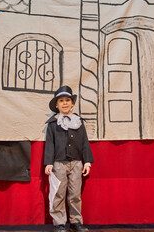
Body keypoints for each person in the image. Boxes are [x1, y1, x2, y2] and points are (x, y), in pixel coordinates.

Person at [44, 85, 94, 232]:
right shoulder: (53, 124)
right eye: (61, 101)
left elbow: (84, 141)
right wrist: (48, 163)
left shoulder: (78, 122)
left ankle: (76, 222)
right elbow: (50, 144)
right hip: (59, 164)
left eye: (67, 100)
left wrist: (87, 161)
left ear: (72, 103)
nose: (65, 103)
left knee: (75, 194)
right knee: (59, 193)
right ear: (57, 105)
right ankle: (59, 223)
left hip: (77, 163)